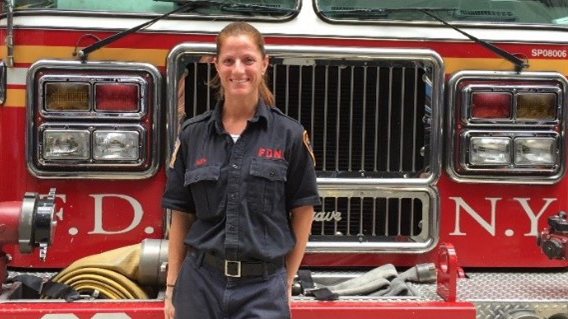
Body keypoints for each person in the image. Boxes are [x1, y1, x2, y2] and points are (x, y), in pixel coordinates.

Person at [162, 21, 320, 319]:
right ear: (216, 66)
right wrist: (172, 286)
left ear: (264, 64)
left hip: (262, 287)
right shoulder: (193, 135)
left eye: (248, 60)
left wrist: (285, 281)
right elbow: (181, 213)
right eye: (228, 61)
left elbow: (303, 210)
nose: (238, 70)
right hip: (200, 284)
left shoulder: (289, 134)